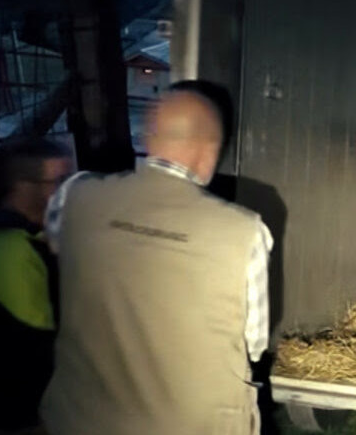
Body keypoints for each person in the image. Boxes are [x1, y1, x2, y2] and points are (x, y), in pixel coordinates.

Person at [40, 80, 273, 435]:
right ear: (209, 150)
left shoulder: (73, 195)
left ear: (148, 139)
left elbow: (59, 249)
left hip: (80, 419)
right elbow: (254, 344)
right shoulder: (245, 232)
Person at [0, 137, 73, 434]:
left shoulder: (36, 235)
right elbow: (37, 347)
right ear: (24, 187)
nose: (68, 191)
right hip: (26, 414)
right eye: (59, 181)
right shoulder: (12, 249)